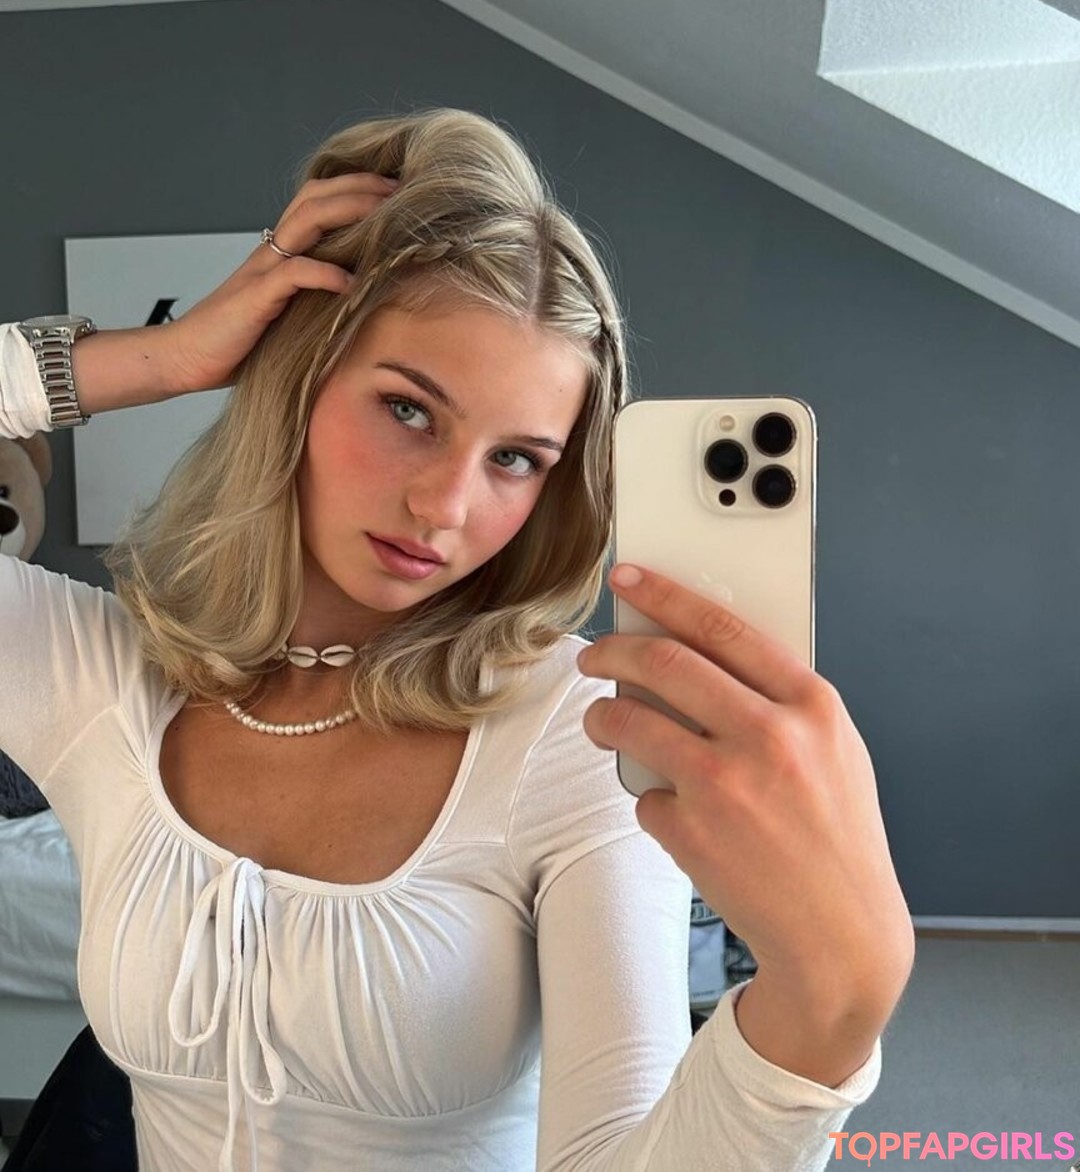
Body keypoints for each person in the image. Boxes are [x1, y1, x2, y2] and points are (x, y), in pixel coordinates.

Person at [0, 108, 913, 1172]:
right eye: (410, 411)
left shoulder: (576, 734)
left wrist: (826, 1014)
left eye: (516, 458)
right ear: (299, 381)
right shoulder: (103, 676)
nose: (445, 505)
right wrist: (162, 358)